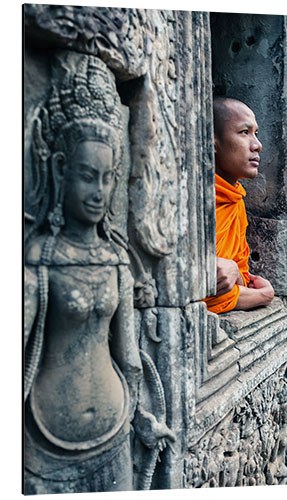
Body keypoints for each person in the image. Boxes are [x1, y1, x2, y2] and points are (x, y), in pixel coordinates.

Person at [24, 53, 175, 494]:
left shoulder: (115, 261)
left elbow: (128, 358)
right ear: (58, 171)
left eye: (108, 178)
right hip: (45, 439)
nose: (99, 192)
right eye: (87, 176)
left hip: (116, 432)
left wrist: (142, 418)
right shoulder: (40, 260)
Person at [204, 96, 274, 314]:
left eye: (256, 133)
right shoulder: (189, 201)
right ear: (213, 142)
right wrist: (262, 295)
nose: (257, 145)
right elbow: (201, 294)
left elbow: (237, 282)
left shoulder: (235, 202)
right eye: (244, 132)